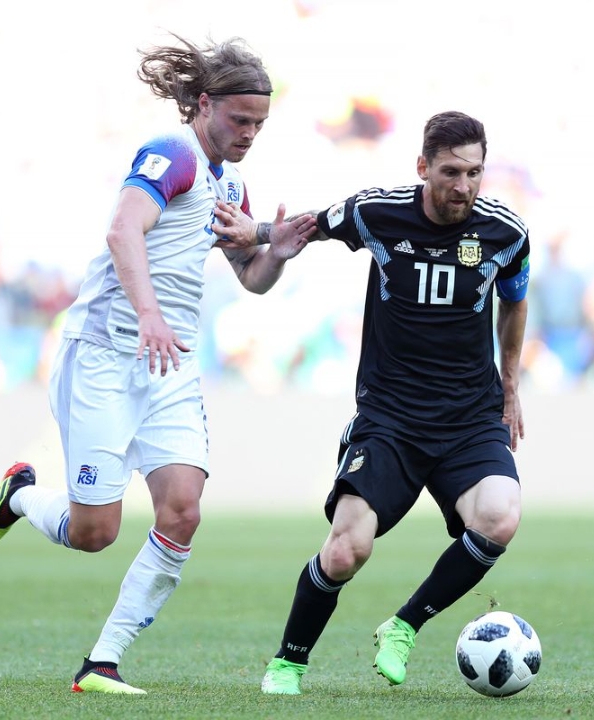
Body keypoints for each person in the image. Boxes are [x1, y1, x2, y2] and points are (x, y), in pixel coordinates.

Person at [0, 33, 316, 694]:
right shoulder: (172, 154)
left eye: (259, 124)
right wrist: (151, 313)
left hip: (169, 367)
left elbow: (251, 275)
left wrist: (278, 253)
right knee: (94, 531)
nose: (248, 134)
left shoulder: (232, 181)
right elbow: (122, 229)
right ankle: (19, 494)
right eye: (239, 120)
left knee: (182, 510)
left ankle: (103, 662)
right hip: (105, 354)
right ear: (205, 104)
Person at [214, 110, 530, 695]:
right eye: (451, 172)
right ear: (422, 168)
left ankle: (405, 626)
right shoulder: (379, 212)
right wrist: (257, 234)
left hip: (468, 420)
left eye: (475, 173)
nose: (463, 186)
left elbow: (514, 301)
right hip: (390, 420)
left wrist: (510, 384)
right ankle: (288, 662)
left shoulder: (505, 234)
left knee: (501, 515)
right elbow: (308, 227)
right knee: (346, 550)